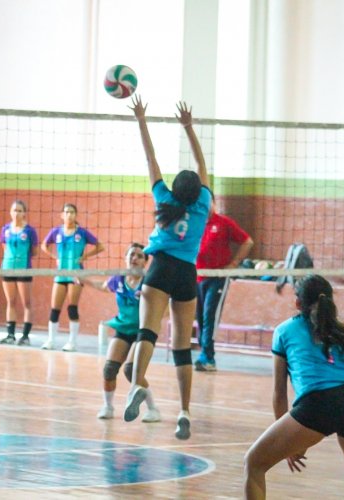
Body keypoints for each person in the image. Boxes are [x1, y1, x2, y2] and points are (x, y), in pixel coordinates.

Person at [244, 275, 344, 500]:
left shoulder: (284, 331)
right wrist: (293, 441)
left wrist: (288, 443)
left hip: (319, 403)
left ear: (297, 304)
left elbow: (279, 393)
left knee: (254, 464)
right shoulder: (343, 332)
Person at [123, 95, 211, 441]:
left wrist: (142, 119)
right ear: (198, 191)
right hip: (187, 274)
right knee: (181, 347)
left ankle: (136, 386)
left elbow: (151, 157)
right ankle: (184, 410)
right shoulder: (204, 202)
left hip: (159, 269)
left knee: (147, 332)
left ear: (175, 189)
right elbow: (204, 165)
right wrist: (189, 128)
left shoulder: (164, 199)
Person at [81, 243, 161, 422]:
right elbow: (103, 286)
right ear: (126, 258)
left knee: (131, 370)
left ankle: (153, 409)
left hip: (143, 330)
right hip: (123, 328)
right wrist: (83, 280)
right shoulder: (119, 279)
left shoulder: (149, 281)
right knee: (109, 369)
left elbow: (163, 303)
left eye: (140, 256)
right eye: (132, 254)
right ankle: (108, 407)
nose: (135, 258)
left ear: (145, 262)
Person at [195, 196, 254, 372]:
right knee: (200, 317)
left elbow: (247, 241)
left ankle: (208, 357)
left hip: (218, 277)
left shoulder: (223, 223)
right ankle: (204, 352)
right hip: (198, 277)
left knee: (209, 315)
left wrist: (234, 263)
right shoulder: (195, 224)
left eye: (208, 202)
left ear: (213, 203)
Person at [40, 203, 105, 351]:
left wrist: (85, 256)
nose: (69, 215)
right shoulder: (56, 231)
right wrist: (54, 256)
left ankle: (72, 342)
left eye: (72, 212)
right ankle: (51, 341)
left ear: (76, 215)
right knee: (55, 308)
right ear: (62, 215)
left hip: (76, 274)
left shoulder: (81, 233)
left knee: (72, 308)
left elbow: (100, 246)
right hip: (60, 274)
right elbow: (44, 245)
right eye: (66, 212)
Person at [0, 200, 38, 346]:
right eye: (14, 210)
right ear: (10, 212)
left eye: (20, 210)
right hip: (7, 268)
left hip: (24, 269)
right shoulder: (5, 229)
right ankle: (10, 335)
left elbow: (34, 251)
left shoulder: (29, 231)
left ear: (24, 213)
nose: (17, 213)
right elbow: (4, 247)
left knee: (26, 303)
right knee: (10, 301)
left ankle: (25, 336)